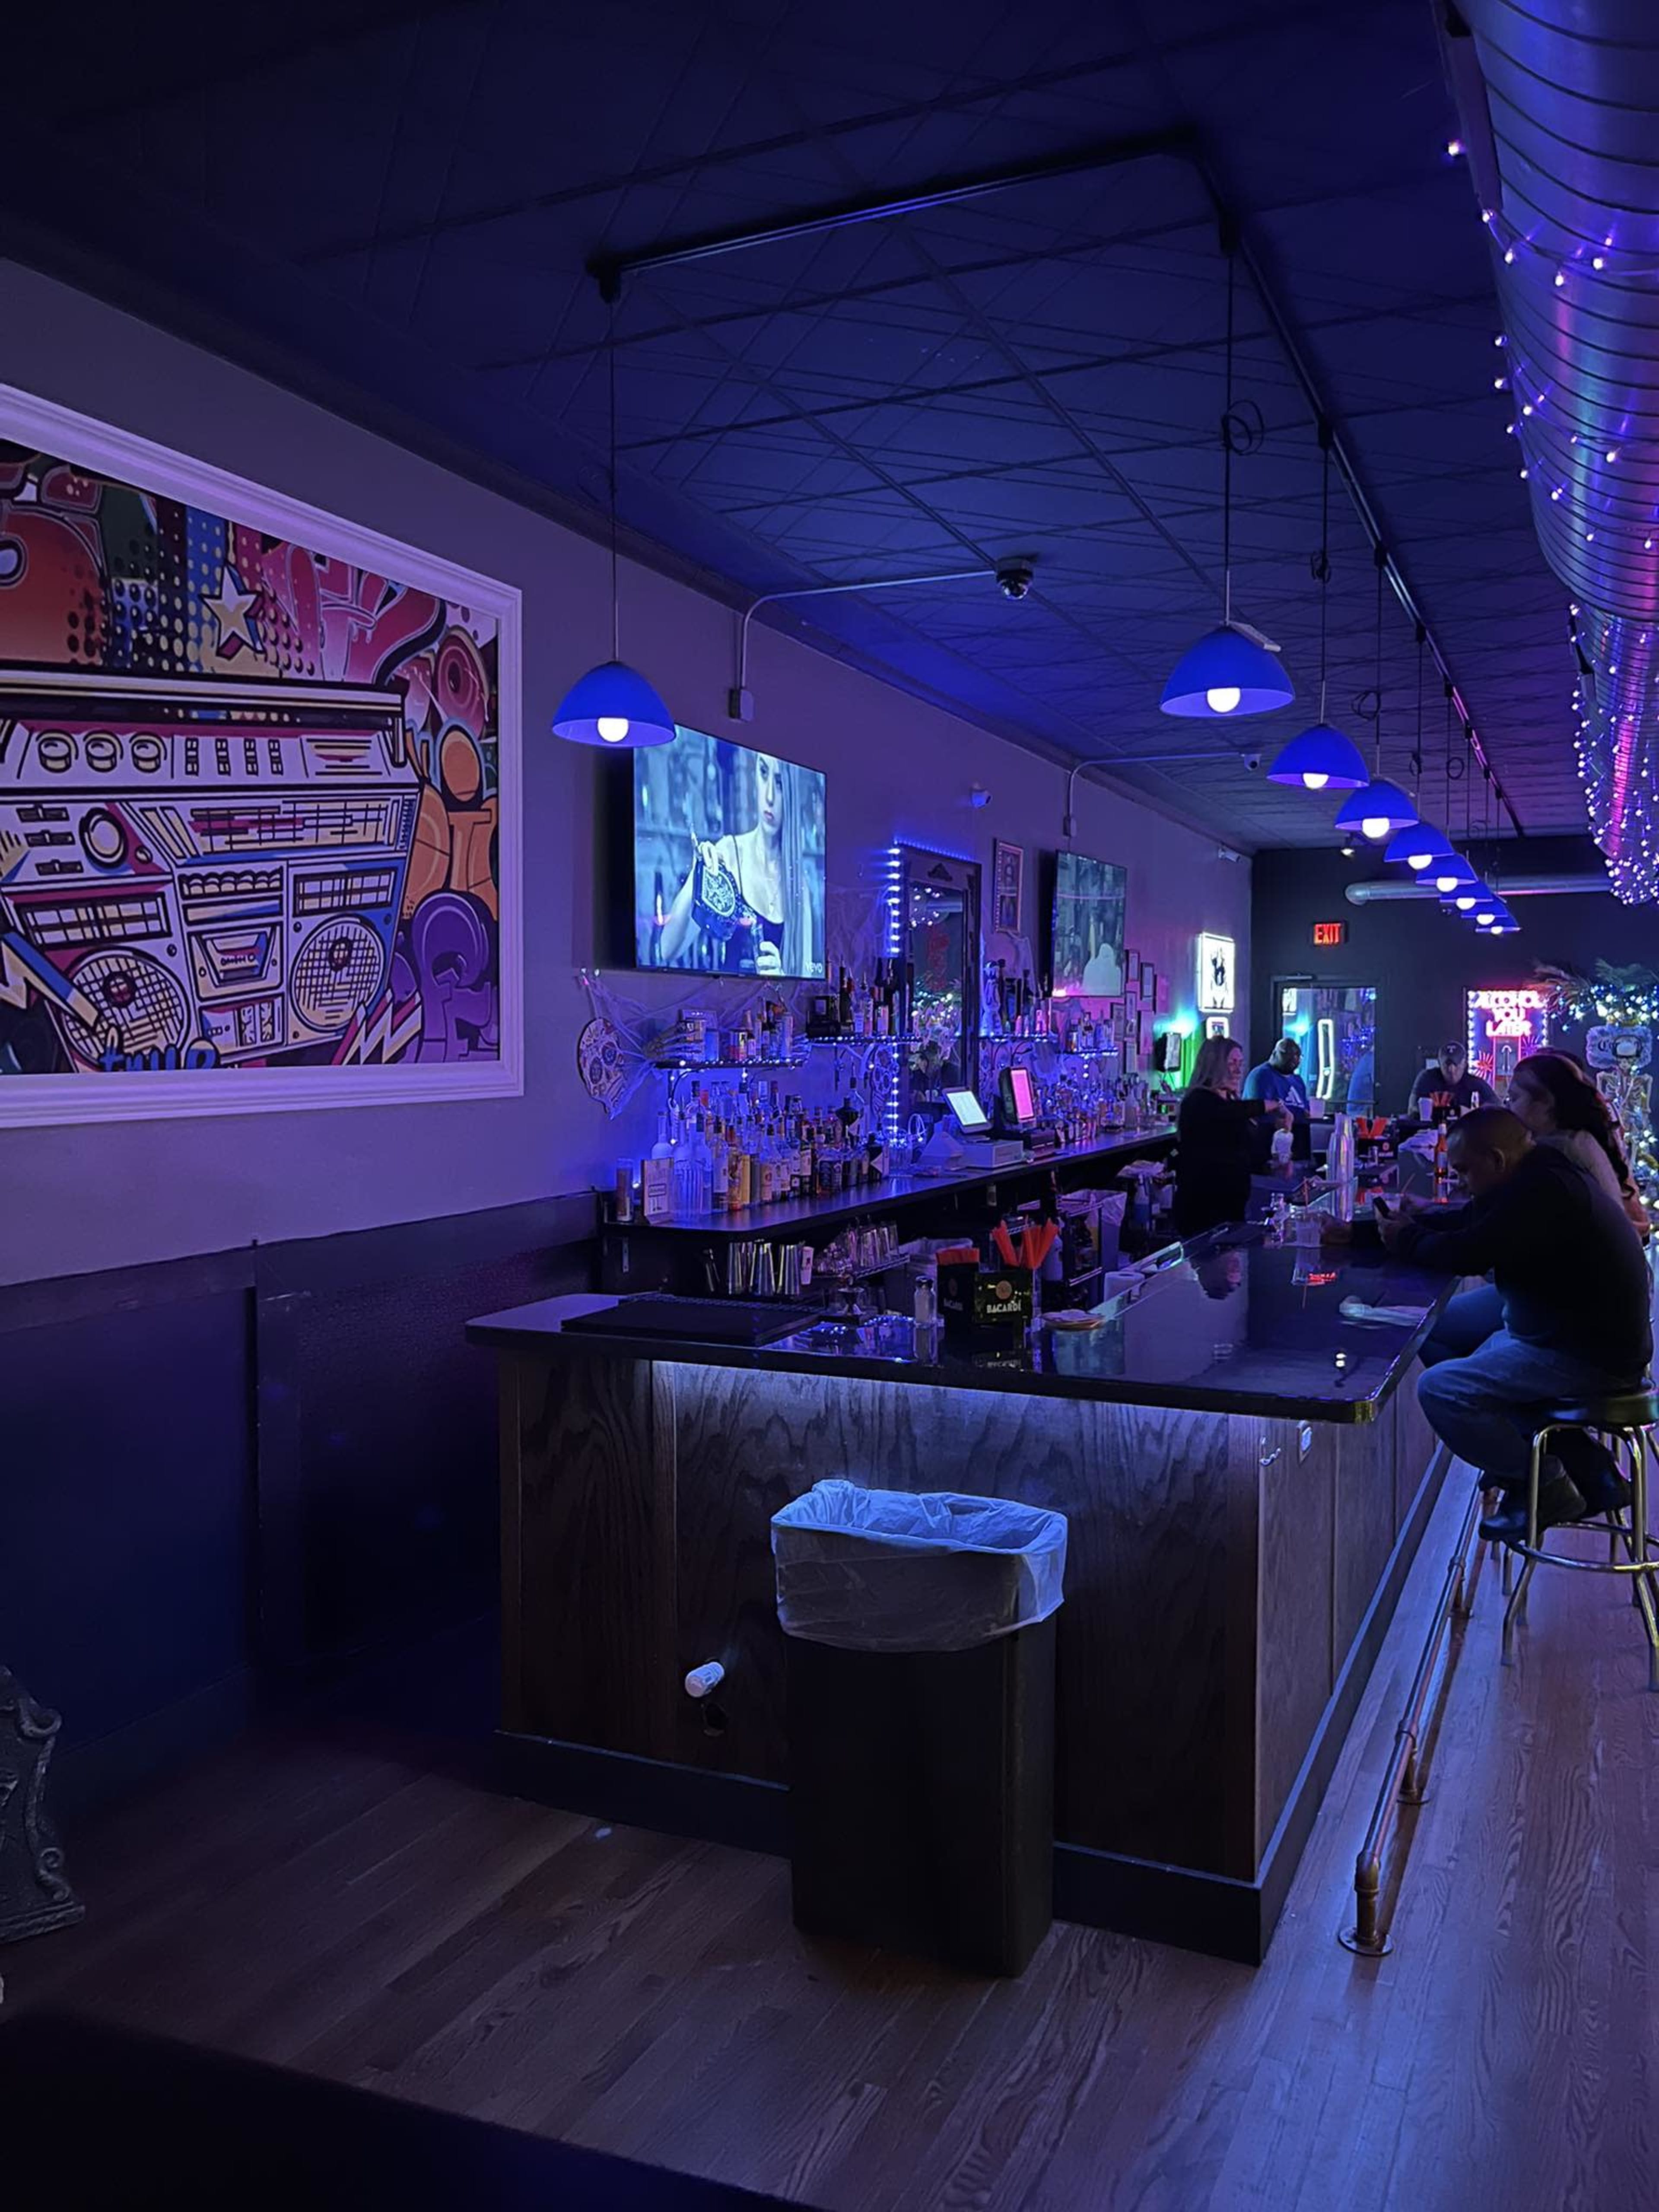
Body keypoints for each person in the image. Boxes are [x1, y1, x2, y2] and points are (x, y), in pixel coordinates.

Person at [1376, 1108, 1651, 1542]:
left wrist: (1405, 1238)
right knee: (1435, 1329)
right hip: (1568, 1326)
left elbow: (1469, 1252)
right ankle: (1585, 1462)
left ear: (1498, 1159)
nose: (1461, 1180)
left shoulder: (1543, 1190)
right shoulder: (1539, 1173)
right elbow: (1471, 1222)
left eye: (1465, 1169)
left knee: (1441, 1389)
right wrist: (1384, 1231)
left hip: (1586, 1353)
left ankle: (1543, 1483)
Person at [658, 749, 820, 976]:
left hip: (773, 1010)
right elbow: (668, 949)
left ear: (794, 795)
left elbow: (807, 979)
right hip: (727, 1006)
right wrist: (699, 871)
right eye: (763, 773)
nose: (770, 796)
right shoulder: (728, 854)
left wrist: (782, 978)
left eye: (780, 783)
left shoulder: (798, 884)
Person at [1507, 1051, 1649, 1239]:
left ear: (1546, 1102)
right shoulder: (1579, 1140)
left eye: (1514, 1098)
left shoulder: (1557, 1151)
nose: (1507, 1108)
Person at [1174, 1034, 1289, 1238]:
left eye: (1241, 1063)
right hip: (1203, 1203)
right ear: (1214, 1066)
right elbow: (1230, 1114)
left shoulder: (1229, 1100)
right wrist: (1273, 1105)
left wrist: (1272, 1162)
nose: (1238, 1070)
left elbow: (1241, 1148)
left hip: (1232, 1204)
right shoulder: (1199, 1101)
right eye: (1232, 1063)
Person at [1409, 1042, 1495, 1119]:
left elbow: (1498, 1108)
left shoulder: (1475, 1084)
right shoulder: (1427, 1079)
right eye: (1447, 1065)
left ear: (1465, 1064)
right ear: (1439, 1064)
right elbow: (1412, 1110)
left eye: (1456, 1065)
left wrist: (1471, 1113)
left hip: (1465, 1133)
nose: (1452, 1070)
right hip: (1432, 1131)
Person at [1244, 1037, 1312, 1123]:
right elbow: (1260, 1114)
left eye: (1298, 1055)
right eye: (1287, 1054)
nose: (1294, 1058)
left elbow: (1307, 1111)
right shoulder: (1262, 1075)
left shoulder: (1298, 1081)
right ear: (1274, 1053)